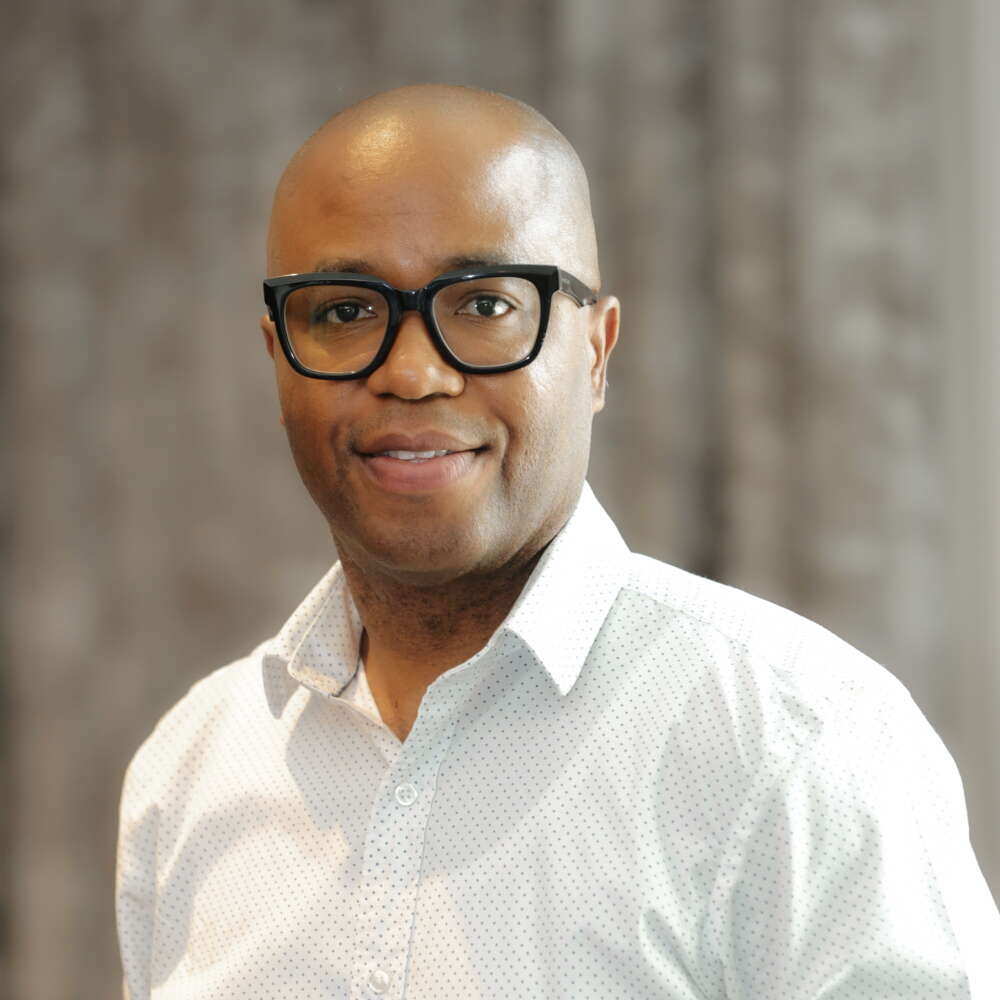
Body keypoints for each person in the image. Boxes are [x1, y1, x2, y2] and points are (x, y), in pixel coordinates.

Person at [115, 84, 1000, 999]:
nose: (413, 372)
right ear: (277, 355)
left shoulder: (797, 740)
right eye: (344, 311)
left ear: (596, 352)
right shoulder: (190, 772)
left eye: (487, 304)